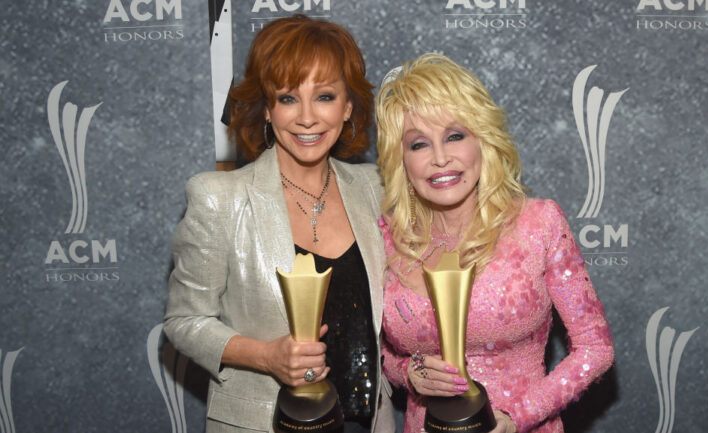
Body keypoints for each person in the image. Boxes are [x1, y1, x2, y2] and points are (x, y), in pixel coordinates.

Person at [164, 15, 394, 433]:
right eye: (288, 98)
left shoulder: (376, 189)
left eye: (324, 96)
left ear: (347, 108)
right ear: (267, 109)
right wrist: (265, 356)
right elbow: (184, 323)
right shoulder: (220, 199)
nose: (307, 118)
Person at [374, 53, 614, 433]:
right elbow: (386, 354)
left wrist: (517, 417)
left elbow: (595, 348)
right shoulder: (387, 237)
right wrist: (410, 372)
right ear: (400, 159)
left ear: (482, 141)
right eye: (419, 144)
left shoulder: (538, 223)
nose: (440, 158)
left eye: (455, 136)